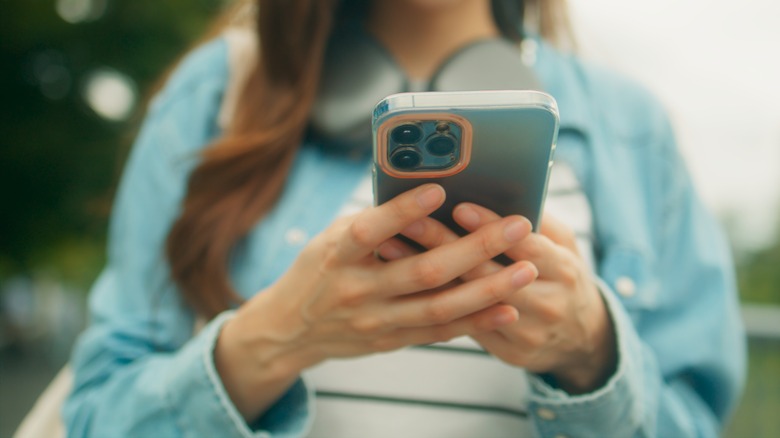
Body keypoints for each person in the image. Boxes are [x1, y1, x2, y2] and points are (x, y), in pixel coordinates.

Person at [62, 0, 746, 437]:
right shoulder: (215, 94)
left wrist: (593, 353)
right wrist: (273, 339)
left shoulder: (630, 128)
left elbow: (694, 420)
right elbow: (96, 415)